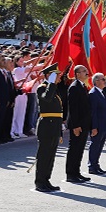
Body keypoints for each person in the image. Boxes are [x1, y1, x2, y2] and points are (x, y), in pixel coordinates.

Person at [34, 63, 62, 193]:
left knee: (51, 155)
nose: (58, 78)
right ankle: (40, 182)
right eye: (55, 75)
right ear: (48, 76)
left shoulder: (53, 88)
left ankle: (46, 180)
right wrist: (51, 84)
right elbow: (47, 99)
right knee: (44, 155)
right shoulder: (42, 88)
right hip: (46, 125)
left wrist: (60, 130)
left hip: (54, 125)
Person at [65, 65, 93, 183]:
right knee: (74, 149)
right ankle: (71, 174)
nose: (87, 73)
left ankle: (77, 172)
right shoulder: (74, 87)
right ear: (77, 74)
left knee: (80, 149)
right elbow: (73, 108)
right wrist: (75, 125)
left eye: (86, 71)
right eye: (84, 71)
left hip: (83, 124)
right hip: (77, 125)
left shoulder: (81, 86)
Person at [89, 73, 106, 175]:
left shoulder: (102, 92)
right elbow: (92, 112)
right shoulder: (93, 94)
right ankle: (92, 166)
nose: (105, 81)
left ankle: (96, 165)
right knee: (95, 145)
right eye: (103, 79)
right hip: (97, 125)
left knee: (100, 146)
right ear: (97, 81)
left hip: (103, 124)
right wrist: (93, 127)